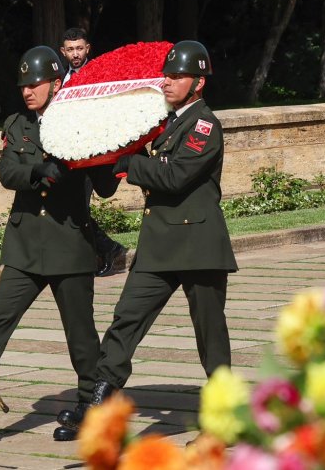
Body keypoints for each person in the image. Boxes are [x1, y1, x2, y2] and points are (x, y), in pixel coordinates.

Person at [80, 41, 239, 419]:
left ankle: (223, 410)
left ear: (198, 82)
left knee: (210, 333)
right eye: (165, 75)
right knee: (126, 319)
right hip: (159, 244)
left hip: (198, 244)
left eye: (176, 76)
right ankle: (98, 400)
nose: (166, 82)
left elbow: (175, 175)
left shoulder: (204, 125)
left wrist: (128, 164)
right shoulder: (164, 122)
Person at [0, 47, 120, 441]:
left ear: (56, 82)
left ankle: (91, 408)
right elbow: (7, 171)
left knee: (81, 337)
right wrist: (36, 170)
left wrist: (111, 150)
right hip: (25, 246)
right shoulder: (18, 124)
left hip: (69, 245)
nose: (27, 91)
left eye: (34, 84)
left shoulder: (85, 123)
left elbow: (106, 187)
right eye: (23, 85)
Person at [59, 27, 128, 277]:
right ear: (63, 52)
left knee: (79, 206)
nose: (75, 54)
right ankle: (105, 249)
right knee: (74, 206)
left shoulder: (102, 74)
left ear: (88, 48)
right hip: (72, 153)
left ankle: (107, 249)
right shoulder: (61, 78)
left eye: (79, 48)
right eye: (70, 49)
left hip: (98, 153)